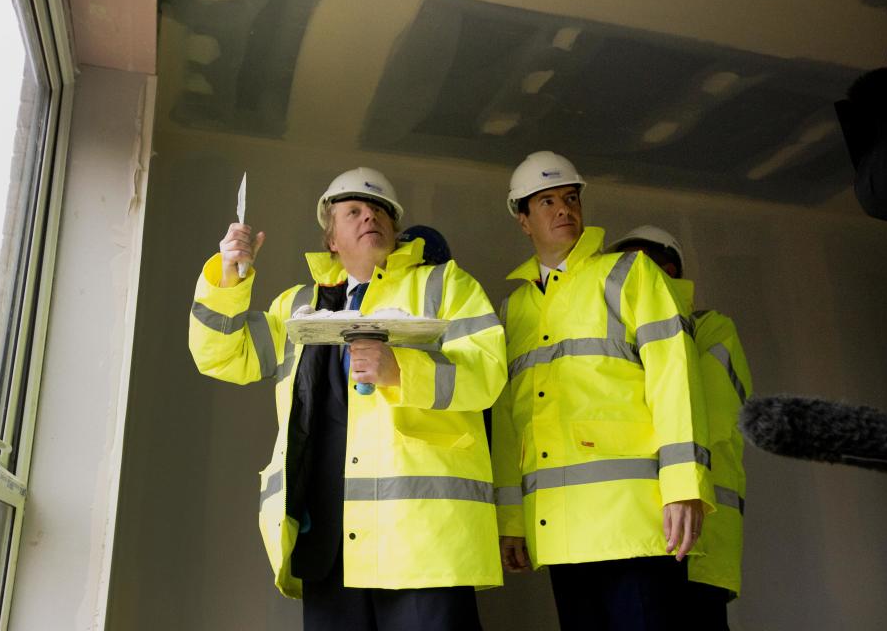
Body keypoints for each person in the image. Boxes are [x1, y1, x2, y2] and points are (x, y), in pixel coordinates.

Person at [188, 167, 507, 631]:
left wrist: (401, 370)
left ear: (396, 229)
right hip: (329, 542)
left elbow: (489, 374)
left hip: (421, 541)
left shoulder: (445, 286)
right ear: (331, 238)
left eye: (380, 210)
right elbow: (223, 356)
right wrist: (228, 280)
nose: (369, 217)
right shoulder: (297, 307)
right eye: (353, 211)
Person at [490, 151, 714, 630]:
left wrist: (684, 487)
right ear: (523, 220)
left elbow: (675, 380)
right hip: (560, 532)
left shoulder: (630, 274)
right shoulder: (515, 309)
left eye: (570, 198)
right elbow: (511, 423)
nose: (563, 209)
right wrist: (512, 520)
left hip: (632, 524)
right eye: (546, 201)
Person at [608, 225, 753, 631]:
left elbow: (704, 415)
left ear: (669, 271)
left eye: (640, 269)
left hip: (701, 538)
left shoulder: (710, 329)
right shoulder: (629, 339)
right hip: (652, 534)